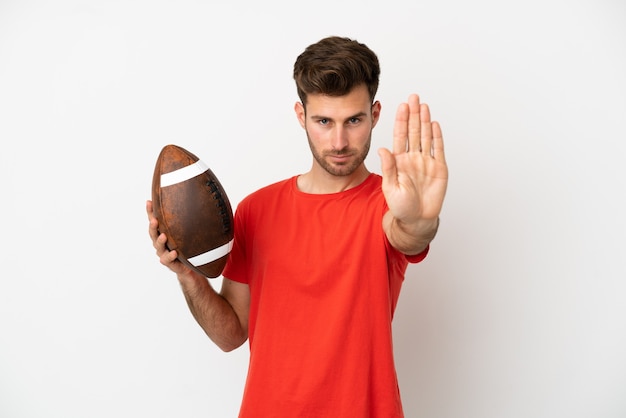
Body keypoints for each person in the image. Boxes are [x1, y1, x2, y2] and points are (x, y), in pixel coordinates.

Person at [147, 35, 448, 418]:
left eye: (353, 121)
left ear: (374, 115)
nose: (339, 141)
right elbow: (231, 334)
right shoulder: (256, 210)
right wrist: (188, 275)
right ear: (300, 115)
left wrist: (420, 219)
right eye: (324, 121)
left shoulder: (387, 205)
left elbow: (408, 234)